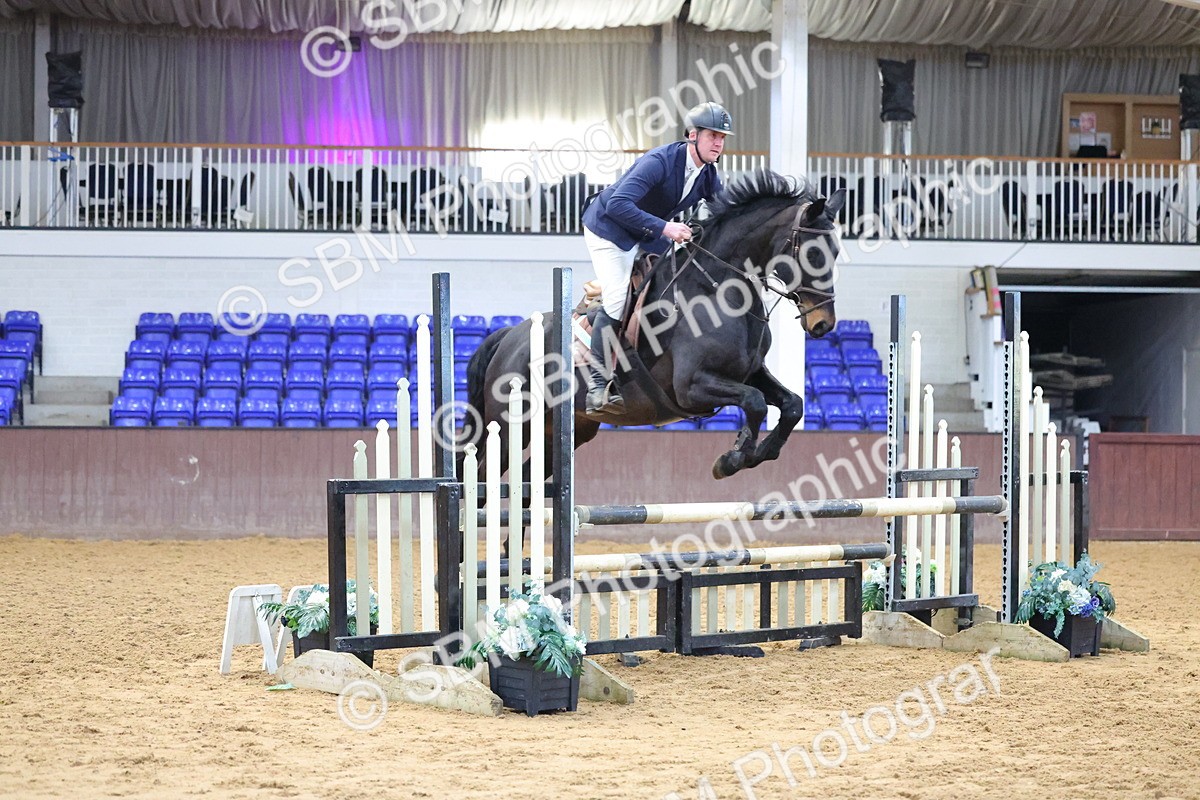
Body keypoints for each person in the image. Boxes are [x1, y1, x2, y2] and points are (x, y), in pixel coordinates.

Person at [580, 101, 732, 415]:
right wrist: (665, 227)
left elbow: (724, 210)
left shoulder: (707, 173)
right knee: (618, 298)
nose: (719, 143)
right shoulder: (660, 161)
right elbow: (617, 204)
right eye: (713, 135)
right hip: (610, 231)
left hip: (647, 234)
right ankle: (597, 385)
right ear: (693, 135)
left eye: (722, 137)